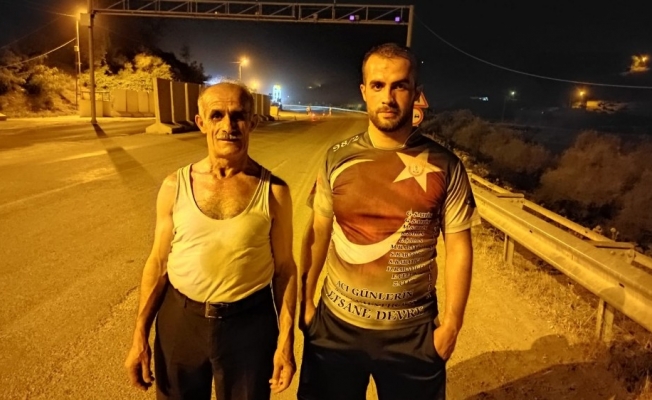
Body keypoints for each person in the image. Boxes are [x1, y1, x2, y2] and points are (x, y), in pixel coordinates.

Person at [297, 43, 480, 400]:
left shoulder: (446, 165)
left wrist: (452, 324)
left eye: (400, 85)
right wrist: (305, 302)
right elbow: (319, 230)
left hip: (412, 334)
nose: (388, 97)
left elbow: (459, 246)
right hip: (336, 327)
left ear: (416, 92)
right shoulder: (336, 157)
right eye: (378, 85)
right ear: (364, 91)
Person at [124, 81, 297, 400]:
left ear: (252, 122)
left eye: (238, 115)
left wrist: (286, 341)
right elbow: (158, 263)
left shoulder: (274, 192)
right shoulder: (174, 186)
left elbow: (285, 269)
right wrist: (139, 335)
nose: (228, 126)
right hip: (181, 323)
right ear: (201, 122)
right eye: (217, 115)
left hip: (248, 326)